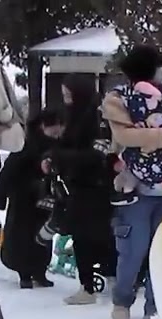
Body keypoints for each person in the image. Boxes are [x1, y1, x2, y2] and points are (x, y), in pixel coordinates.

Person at [102, 45, 162, 319]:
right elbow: (124, 136)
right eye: (160, 65)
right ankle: (122, 301)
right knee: (133, 249)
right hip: (134, 186)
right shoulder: (118, 99)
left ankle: (155, 305)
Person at [53, 76, 119, 305]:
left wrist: (62, 157)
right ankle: (88, 284)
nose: (66, 100)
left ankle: (107, 280)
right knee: (81, 237)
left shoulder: (98, 118)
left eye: (68, 95)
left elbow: (97, 154)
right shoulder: (73, 117)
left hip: (96, 187)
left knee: (99, 236)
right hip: (78, 185)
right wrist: (52, 157)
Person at [0, 108, 63, 289]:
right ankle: (24, 273)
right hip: (23, 198)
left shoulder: (58, 146)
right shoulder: (27, 145)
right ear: (43, 126)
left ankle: (39, 271)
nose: (58, 130)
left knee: (43, 234)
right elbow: (9, 170)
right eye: (54, 126)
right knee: (22, 236)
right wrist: (0, 196)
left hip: (45, 198)